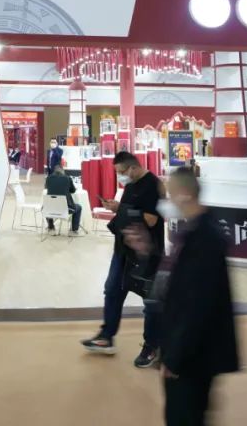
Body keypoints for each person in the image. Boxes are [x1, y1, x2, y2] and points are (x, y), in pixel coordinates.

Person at [158, 167, 240, 426]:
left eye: (171, 194)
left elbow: (197, 306)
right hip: (190, 351)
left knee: (184, 416)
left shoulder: (205, 240)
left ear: (184, 194)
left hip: (194, 355)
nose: (169, 201)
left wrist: (175, 357)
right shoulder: (194, 231)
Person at [82, 150, 165, 368]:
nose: (120, 177)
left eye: (122, 172)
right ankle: (106, 336)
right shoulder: (130, 186)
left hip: (146, 253)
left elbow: (151, 219)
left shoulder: (153, 186)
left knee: (151, 301)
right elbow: (129, 213)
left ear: (133, 168)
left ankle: (152, 346)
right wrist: (117, 209)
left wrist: (121, 208)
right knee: (112, 290)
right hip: (123, 250)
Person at [44, 165, 82, 234]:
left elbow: (46, 187)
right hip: (66, 209)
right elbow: (73, 190)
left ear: (54, 171)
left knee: (47, 206)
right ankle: (74, 229)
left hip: (50, 209)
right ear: (62, 171)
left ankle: (51, 226)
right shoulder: (67, 178)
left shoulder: (48, 178)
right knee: (79, 207)